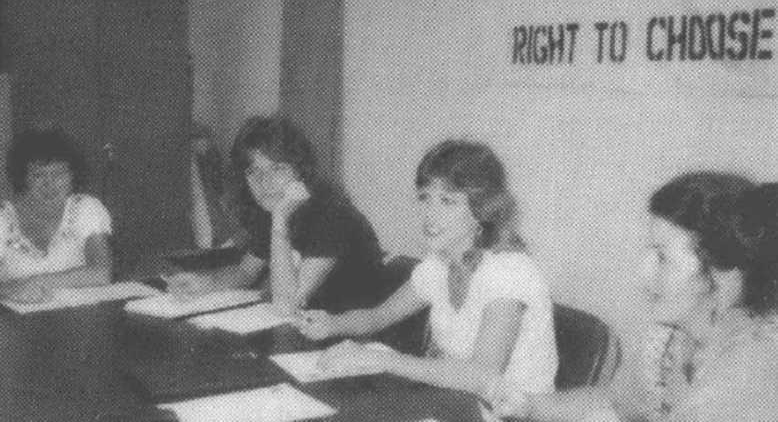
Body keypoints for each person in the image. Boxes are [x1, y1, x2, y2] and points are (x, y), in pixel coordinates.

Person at [487, 172, 778, 422]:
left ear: (723, 275)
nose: (643, 274)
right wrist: (529, 405)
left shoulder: (753, 368)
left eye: (663, 258)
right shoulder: (668, 341)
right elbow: (616, 401)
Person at [297, 139, 558, 397]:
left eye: (448, 201)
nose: (430, 213)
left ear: (482, 209)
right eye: (425, 197)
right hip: (460, 404)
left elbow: (482, 376)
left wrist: (382, 360)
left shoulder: (509, 272)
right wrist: (332, 323)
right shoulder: (437, 265)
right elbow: (379, 316)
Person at [166, 117, 384, 315]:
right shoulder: (272, 209)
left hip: (355, 340)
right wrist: (206, 282)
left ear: (300, 171)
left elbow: (287, 305)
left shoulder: (332, 215)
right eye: (253, 172)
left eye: (277, 169)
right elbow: (245, 272)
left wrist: (279, 223)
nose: (264, 182)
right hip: (311, 329)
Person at [0, 129, 112, 303]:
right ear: (24, 178)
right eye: (38, 175)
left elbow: (101, 273)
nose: (49, 184)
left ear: (72, 175)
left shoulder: (86, 208)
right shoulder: (3, 220)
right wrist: (8, 290)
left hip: (78, 317)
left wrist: (37, 282)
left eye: (59, 173)